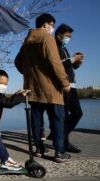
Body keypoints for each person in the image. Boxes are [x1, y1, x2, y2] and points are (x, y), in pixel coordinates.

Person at [15, 13, 71, 163]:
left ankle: (39, 149)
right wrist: (65, 83)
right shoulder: (47, 38)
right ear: (46, 24)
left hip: (32, 88)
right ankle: (59, 152)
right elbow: (55, 63)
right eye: (52, 25)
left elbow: (17, 63)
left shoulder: (26, 42)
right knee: (58, 119)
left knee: (36, 120)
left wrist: (28, 73)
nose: (52, 28)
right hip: (51, 88)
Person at [49, 24, 83, 153]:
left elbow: (68, 66)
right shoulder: (54, 47)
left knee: (77, 113)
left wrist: (76, 63)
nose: (69, 38)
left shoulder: (64, 48)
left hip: (72, 86)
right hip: (63, 86)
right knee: (64, 116)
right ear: (59, 35)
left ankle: (59, 136)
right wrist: (72, 59)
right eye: (67, 36)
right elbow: (57, 66)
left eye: (70, 36)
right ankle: (63, 141)